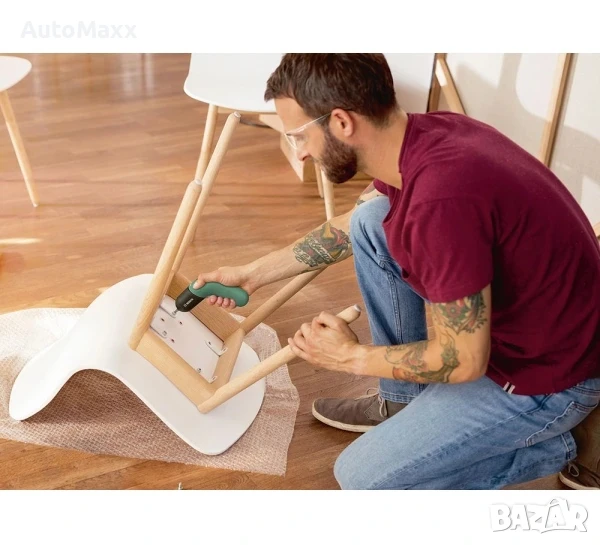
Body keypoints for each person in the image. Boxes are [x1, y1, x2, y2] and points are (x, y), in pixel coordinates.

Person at [193, 54, 600, 490]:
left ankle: (576, 441)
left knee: (363, 479)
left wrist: (350, 357)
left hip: (547, 376)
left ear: (342, 122)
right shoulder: (428, 135)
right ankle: (402, 403)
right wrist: (253, 274)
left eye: (299, 136)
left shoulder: (440, 206)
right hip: (538, 330)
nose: (301, 152)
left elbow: (463, 359)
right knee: (372, 221)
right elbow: (350, 226)